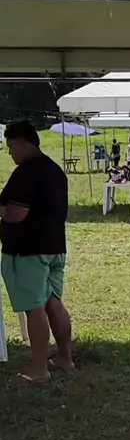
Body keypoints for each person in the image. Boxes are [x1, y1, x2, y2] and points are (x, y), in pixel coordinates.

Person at [0, 120, 73, 382]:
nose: (10, 154)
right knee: (53, 303)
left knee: (34, 308)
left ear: (22, 143)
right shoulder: (55, 170)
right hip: (54, 246)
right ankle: (65, 357)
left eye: (11, 148)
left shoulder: (27, 172)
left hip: (28, 250)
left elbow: (17, 213)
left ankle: (40, 369)